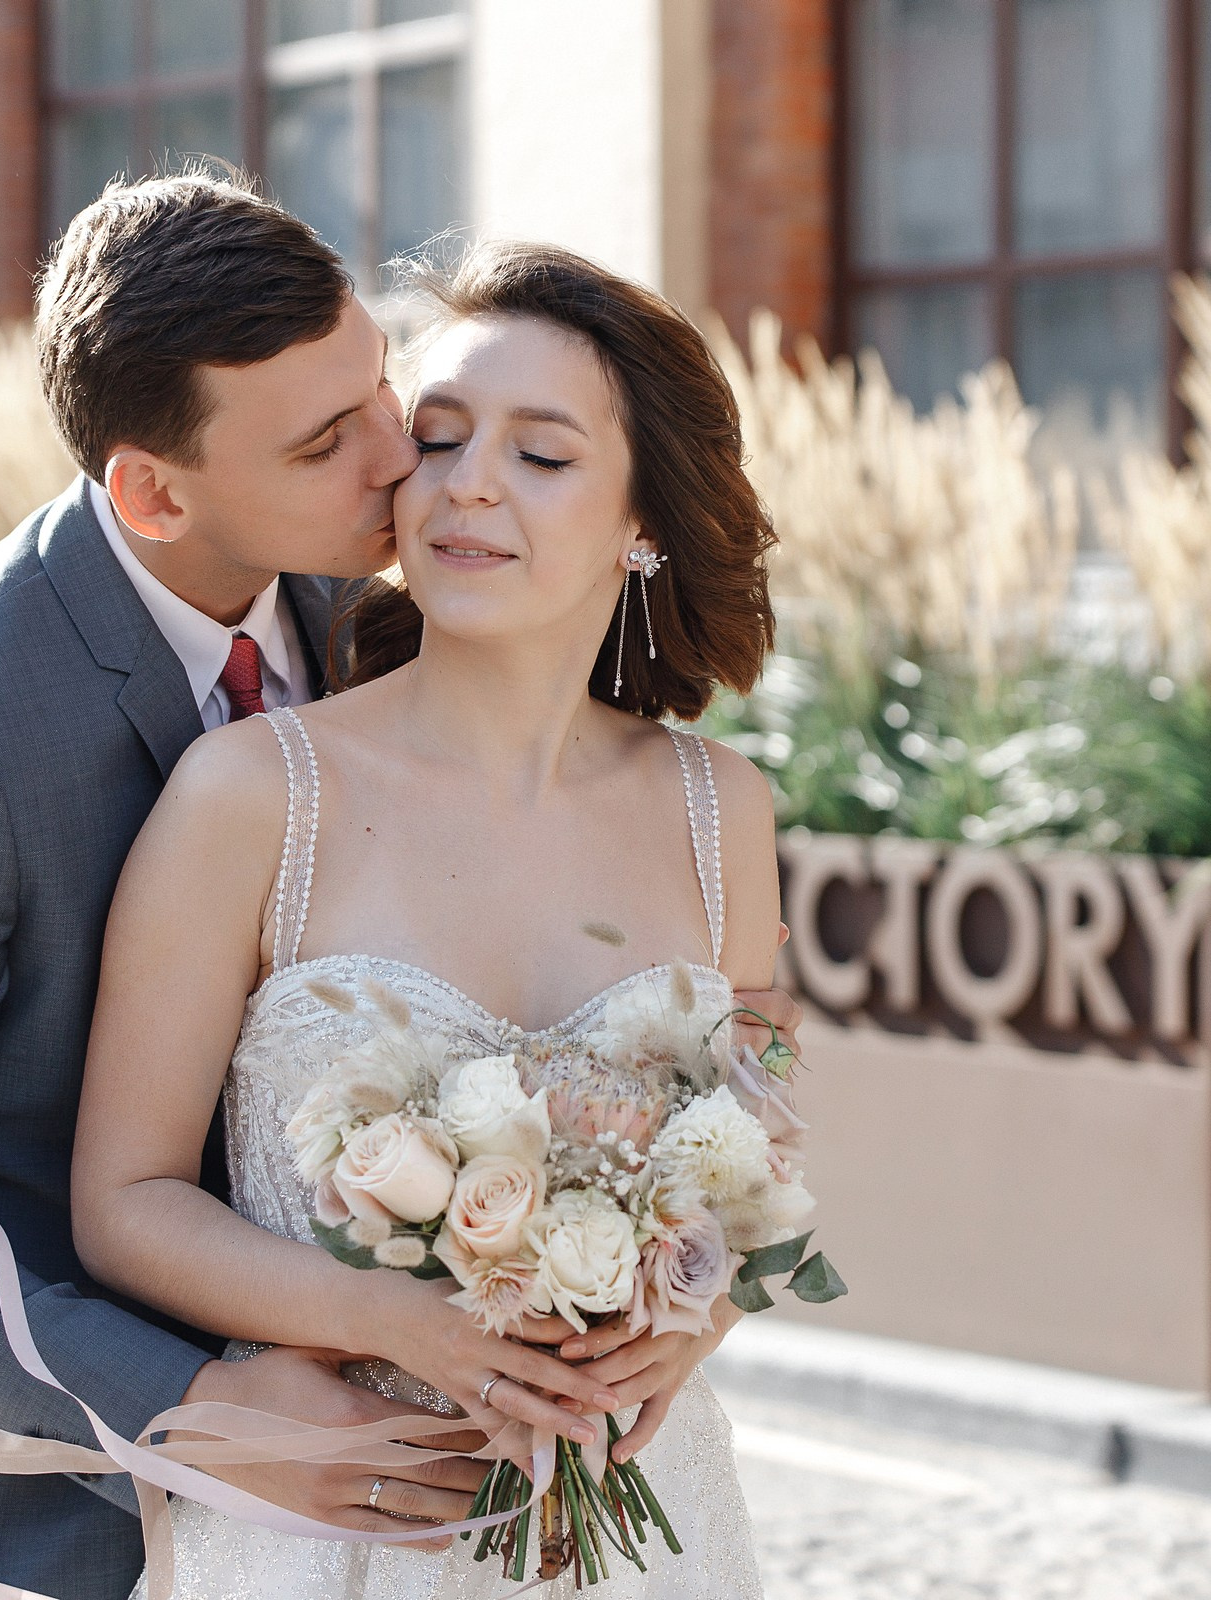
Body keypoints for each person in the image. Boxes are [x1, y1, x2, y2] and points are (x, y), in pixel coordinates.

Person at [0, 173, 800, 1600]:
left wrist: (689, 1294)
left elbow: (754, 1102)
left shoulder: (375, 600)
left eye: (386, 394)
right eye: (335, 441)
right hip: (12, 1509)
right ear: (157, 493)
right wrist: (202, 1408)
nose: (409, 466)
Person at [70, 241, 782, 1597]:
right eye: (440, 437)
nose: (467, 484)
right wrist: (406, 1323)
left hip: (643, 1525)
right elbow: (125, 1202)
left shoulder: (720, 810)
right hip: (334, 1527)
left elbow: (753, 1150)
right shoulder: (252, 797)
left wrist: (694, 1314)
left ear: (643, 519)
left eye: (543, 454)